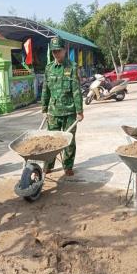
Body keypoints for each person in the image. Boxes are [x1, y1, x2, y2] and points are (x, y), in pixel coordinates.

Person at [41, 36, 84, 176]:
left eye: (59, 50)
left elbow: (76, 90)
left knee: (69, 141)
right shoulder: (49, 68)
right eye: (54, 51)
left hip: (70, 111)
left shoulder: (72, 67)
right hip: (53, 112)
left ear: (65, 50)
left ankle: (68, 166)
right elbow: (45, 90)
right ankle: (48, 164)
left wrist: (79, 111)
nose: (56, 54)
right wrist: (44, 109)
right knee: (51, 141)